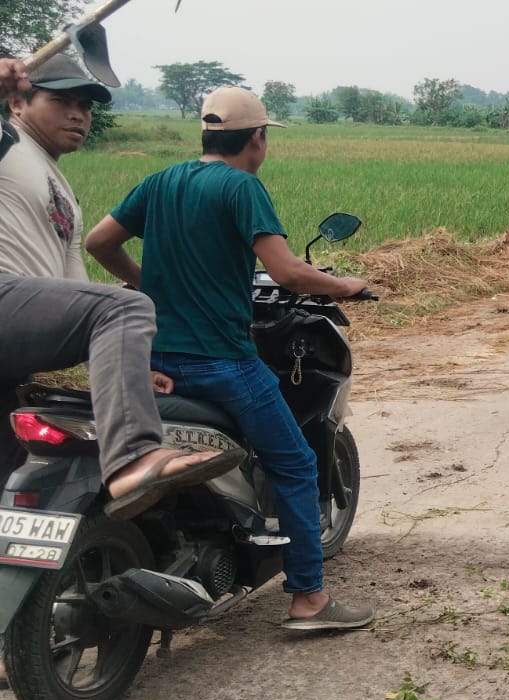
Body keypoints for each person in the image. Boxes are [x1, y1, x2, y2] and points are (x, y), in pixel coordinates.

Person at [84, 86, 373, 631]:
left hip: (156, 357)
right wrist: (346, 286)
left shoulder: (161, 181)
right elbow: (287, 273)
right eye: (266, 138)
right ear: (257, 140)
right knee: (295, 463)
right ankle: (309, 599)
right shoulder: (242, 187)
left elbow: (99, 241)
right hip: (223, 361)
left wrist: (150, 287)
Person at [0, 57, 243, 514]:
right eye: (61, 101)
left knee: (10, 489)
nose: (78, 114)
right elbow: (103, 308)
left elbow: (74, 289)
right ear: (16, 102)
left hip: (15, 344)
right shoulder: (7, 142)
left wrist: (129, 365)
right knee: (124, 307)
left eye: (85, 106)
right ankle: (133, 455)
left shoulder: (60, 186)